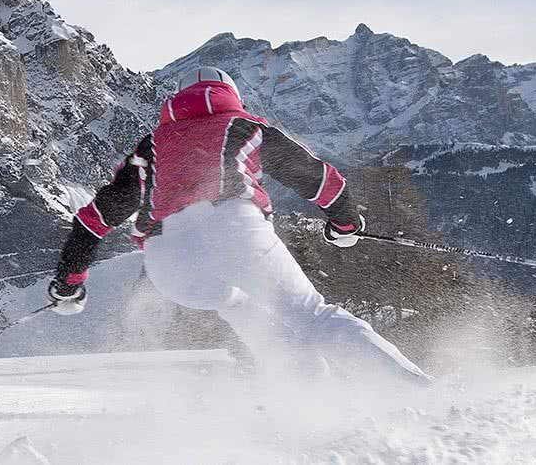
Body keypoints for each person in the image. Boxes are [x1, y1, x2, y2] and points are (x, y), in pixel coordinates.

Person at [45, 67, 431, 384]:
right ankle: (417, 393)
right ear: (230, 93)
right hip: (231, 226)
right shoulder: (243, 125)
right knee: (311, 315)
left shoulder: (150, 147)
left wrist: (69, 284)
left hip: (167, 261)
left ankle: (311, 403)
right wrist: (345, 223)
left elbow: (92, 222)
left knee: (241, 307)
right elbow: (316, 178)